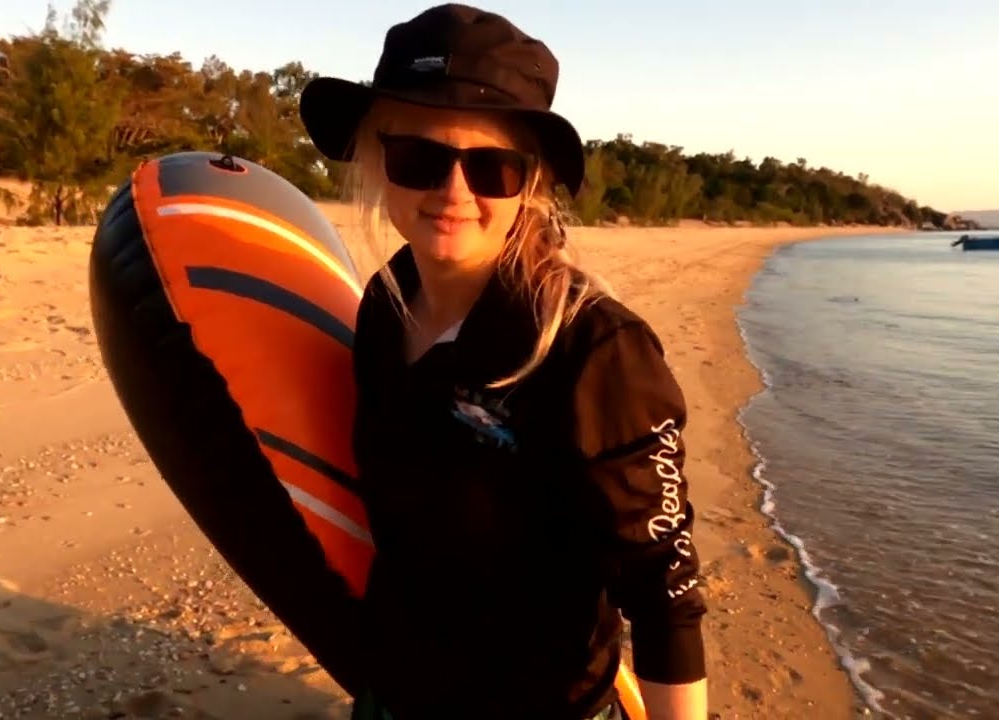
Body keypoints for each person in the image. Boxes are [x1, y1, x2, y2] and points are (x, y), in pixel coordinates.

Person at [298, 4, 708, 719]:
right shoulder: (381, 308)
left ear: (532, 182)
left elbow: (665, 591)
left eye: (492, 167)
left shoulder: (593, 349)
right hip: (394, 695)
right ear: (375, 155)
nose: (453, 192)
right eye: (418, 158)